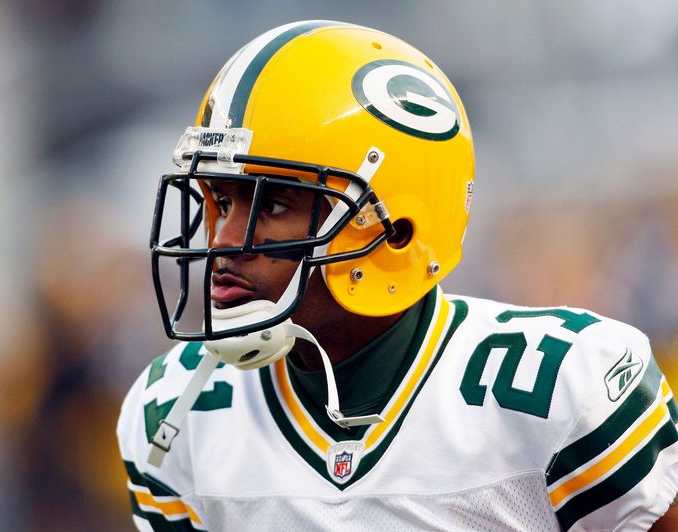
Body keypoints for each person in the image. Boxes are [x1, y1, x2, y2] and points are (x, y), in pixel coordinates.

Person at [117, 20, 678, 531]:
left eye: (272, 205)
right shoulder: (176, 408)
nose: (222, 240)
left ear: (396, 230)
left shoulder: (558, 385)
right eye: (219, 198)